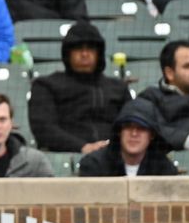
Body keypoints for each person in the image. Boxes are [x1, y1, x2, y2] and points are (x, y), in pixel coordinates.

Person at [29, 21, 131, 154]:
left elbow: (131, 124)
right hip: (67, 154)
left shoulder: (118, 87)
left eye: (90, 48)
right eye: (78, 48)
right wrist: (83, 147)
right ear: (67, 53)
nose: (84, 54)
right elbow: (44, 128)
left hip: (115, 155)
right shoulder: (46, 85)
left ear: (99, 53)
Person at [78, 98, 178, 177]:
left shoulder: (164, 169)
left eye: (141, 128)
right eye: (128, 127)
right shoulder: (94, 164)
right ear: (119, 132)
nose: (134, 133)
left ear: (151, 135)